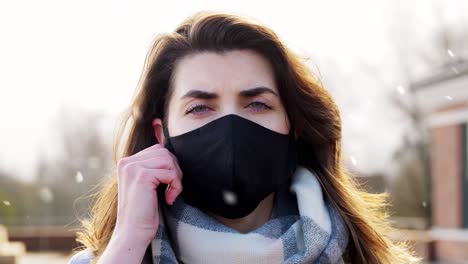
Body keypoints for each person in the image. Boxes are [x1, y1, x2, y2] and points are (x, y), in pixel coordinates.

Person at [68, 10, 419, 264]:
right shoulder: (108, 259)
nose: (231, 127)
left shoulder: (371, 259)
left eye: (256, 104)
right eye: (200, 108)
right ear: (163, 135)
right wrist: (129, 243)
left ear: (292, 127)